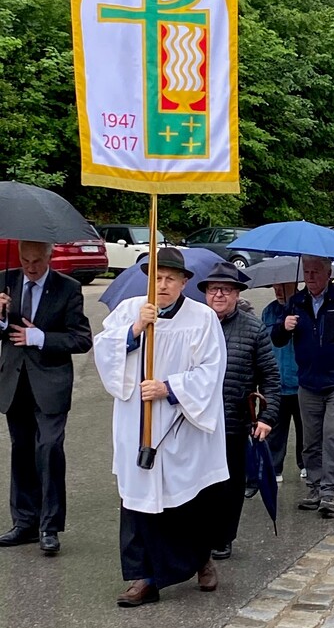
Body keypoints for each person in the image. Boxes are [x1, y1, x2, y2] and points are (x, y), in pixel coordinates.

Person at [94, 248, 228, 606]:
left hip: (180, 423)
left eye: (170, 278)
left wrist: (169, 387)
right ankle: (142, 577)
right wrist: (135, 330)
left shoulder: (202, 318)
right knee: (137, 500)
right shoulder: (129, 311)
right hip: (136, 423)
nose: (163, 284)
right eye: (157, 277)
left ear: (185, 282)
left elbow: (211, 371)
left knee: (186, 501)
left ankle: (201, 559)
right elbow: (104, 351)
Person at [0, 241, 92, 555]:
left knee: (49, 448)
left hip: (51, 382)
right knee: (21, 449)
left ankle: (49, 527)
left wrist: (39, 337)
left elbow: (81, 338)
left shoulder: (68, 288)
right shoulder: (5, 279)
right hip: (15, 380)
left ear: (49, 258)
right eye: (25, 260)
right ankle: (24, 522)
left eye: (37, 261)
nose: (30, 267)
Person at [272, 255, 334, 519]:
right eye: (307, 271)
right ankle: (314, 487)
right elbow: (277, 339)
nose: (311, 276)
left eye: (316, 271)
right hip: (308, 382)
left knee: (332, 436)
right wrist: (284, 326)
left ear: (329, 274)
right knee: (310, 440)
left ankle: (329, 492)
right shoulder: (296, 303)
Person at [200, 262, 280, 560]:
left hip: (234, 419)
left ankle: (223, 536)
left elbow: (270, 376)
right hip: (195, 419)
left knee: (230, 484)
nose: (218, 295)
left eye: (226, 290)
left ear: (236, 294)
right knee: (197, 482)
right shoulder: (194, 324)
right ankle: (198, 534)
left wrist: (267, 417)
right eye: (213, 289)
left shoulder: (253, 328)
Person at [262, 282, 305, 481]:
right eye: (275, 287)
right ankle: (274, 467)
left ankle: (305, 463)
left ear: (294, 285)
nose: (278, 291)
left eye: (283, 287)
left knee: (305, 427)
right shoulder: (269, 311)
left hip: (301, 379)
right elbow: (265, 340)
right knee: (275, 428)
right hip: (277, 379)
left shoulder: (303, 307)